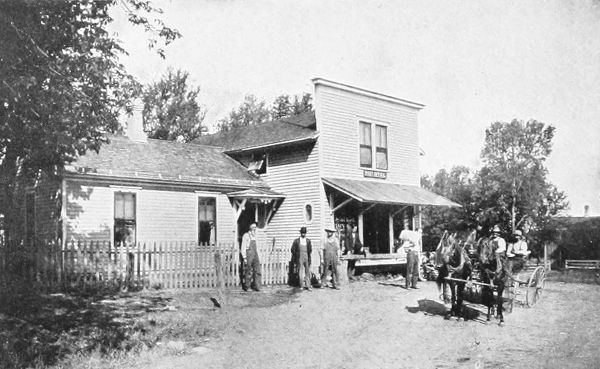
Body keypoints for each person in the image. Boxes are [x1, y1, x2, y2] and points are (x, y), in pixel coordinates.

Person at [241, 222, 261, 292]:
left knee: (257, 270)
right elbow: (243, 247)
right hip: (248, 254)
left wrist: (259, 256)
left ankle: (257, 286)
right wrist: (244, 257)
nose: (254, 229)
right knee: (248, 271)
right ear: (250, 228)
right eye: (253, 228)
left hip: (255, 254)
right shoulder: (246, 235)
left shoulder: (256, 236)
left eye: (255, 227)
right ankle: (247, 286)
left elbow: (257, 247)